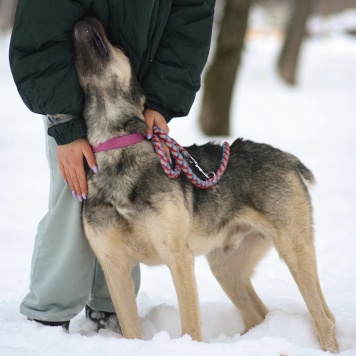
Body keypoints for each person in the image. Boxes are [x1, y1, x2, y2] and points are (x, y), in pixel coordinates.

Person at [9, 0, 215, 331]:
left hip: (138, 91)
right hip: (73, 88)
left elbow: (190, 21)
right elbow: (42, 25)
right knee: (73, 196)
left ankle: (111, 304)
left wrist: (162, 99)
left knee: (132, 200)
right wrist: (65, 123)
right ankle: (50, 312)